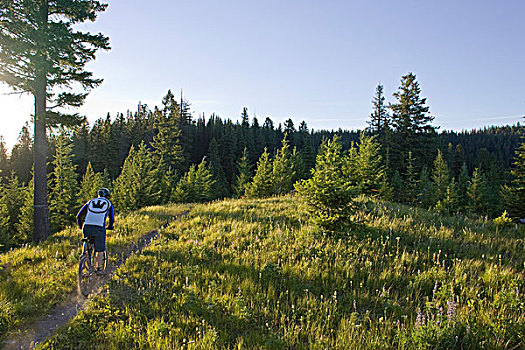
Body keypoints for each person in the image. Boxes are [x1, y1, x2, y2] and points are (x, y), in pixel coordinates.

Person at [76, 187, 114, 275]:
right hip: (99, 227)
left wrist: (80, 226)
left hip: (87, 226)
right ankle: (99, 269)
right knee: (100, 248)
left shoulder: (90, 202)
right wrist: (110, 226)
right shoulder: (109, 203)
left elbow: (79, 216)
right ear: (107, 196)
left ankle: (85, 257)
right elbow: (111, 218)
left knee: (88, 240)